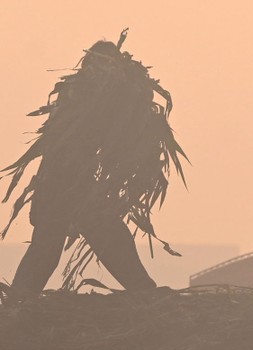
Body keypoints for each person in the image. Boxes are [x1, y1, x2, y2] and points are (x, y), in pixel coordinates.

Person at [1, 36, 186, 298]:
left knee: (68, 241)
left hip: (66, 184)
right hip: (65, 184)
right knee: (89, 236)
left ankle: (20, 298)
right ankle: (143, 290)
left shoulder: (81, 95)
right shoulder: (87, 95)